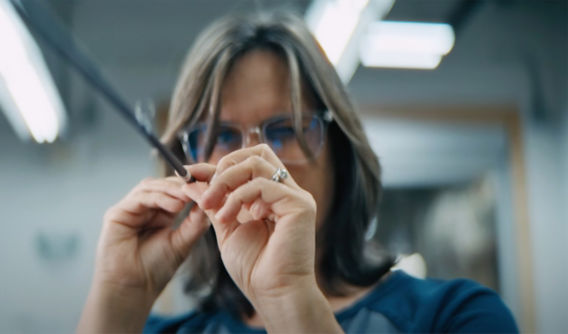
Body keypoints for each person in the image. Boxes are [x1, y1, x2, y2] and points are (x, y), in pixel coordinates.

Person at [77, 11, 518, 333]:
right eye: (223, 135)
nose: (252, 158)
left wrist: (290, 298)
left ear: (340, 153)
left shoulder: (456, 318)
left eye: (284, 129)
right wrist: (118, 300)